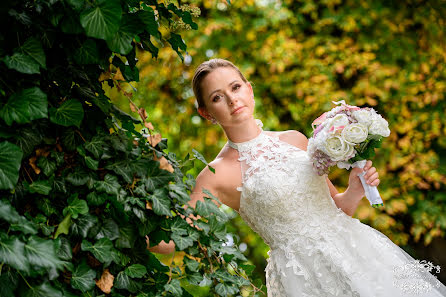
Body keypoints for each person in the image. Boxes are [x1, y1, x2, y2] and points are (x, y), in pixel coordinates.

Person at [149, 58, 446, 296]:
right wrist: (150, 180)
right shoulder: (215, 174)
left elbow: (338, 208)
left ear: (249, 89)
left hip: (357, 252)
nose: (231, 99)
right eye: (217, 97)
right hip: (304, 277)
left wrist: (354, 190)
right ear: (206, 113)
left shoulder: (295, 139)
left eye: (236, 87)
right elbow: (170, 243)